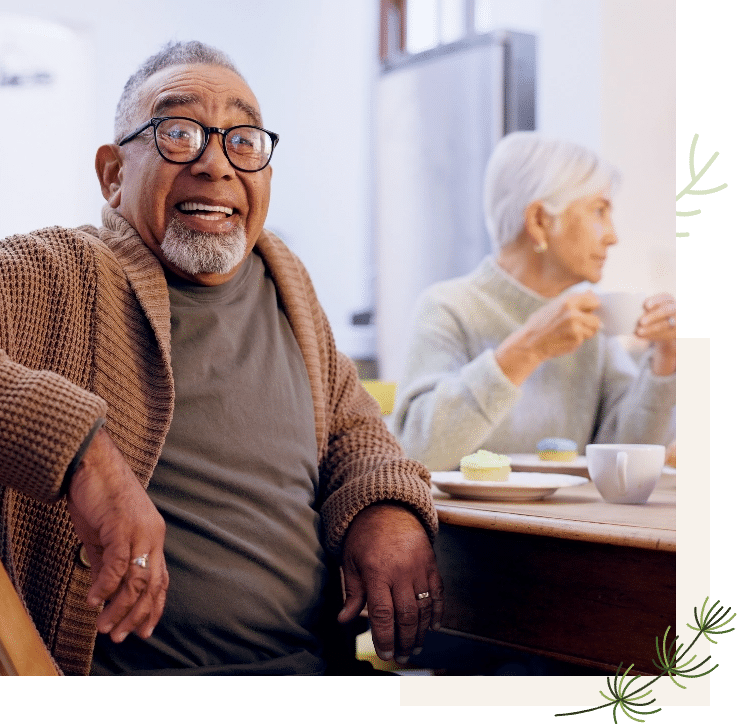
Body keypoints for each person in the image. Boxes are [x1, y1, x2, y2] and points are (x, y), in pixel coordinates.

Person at [0, 41, 443, 675]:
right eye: (178, 133)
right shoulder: (59, 273)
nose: (215, 164)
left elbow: (353, 429)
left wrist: (386, 508)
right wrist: (80, 451)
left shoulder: (284, 281)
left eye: (243, 139)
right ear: (112, 174)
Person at [393, 131, 676, 471]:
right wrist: (528, 349)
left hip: (570, 524)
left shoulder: (593, 323)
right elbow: (418, 455)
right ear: (540, 221)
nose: (613, 236)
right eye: (599, 211)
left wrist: (666, 359)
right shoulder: (447, 307)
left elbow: (624, 464)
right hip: (466, 525)